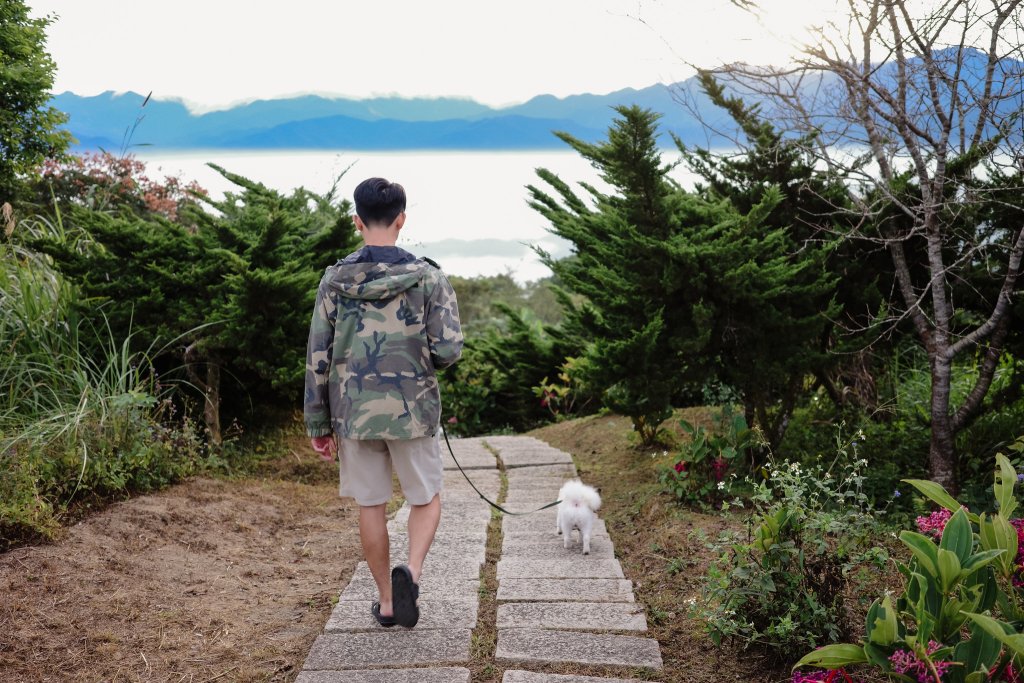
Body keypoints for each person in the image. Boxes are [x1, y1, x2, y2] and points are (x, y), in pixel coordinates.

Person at [303, 177, 463, 628]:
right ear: (401, 220)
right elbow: (449, 351)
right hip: (412, 411)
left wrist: (317, 422)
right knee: (426, 497)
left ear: (357, 222)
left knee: (370, 505)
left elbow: (318, 352)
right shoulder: (429, 278)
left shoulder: (335, 279)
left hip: (354, 414)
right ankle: (410, 573)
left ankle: (388, 603)